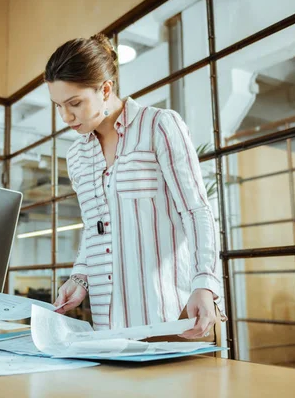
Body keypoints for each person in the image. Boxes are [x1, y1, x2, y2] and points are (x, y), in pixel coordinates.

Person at [47, 34, 225, 339]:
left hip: (172, 316)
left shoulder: (159, 126)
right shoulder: (76, 155)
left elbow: (196, 210)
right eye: (58, 106)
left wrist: (205, 283)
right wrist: (81, 277)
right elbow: (95, 228)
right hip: (107, 327)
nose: (66, 116)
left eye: (74, 103)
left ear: (105, 89)